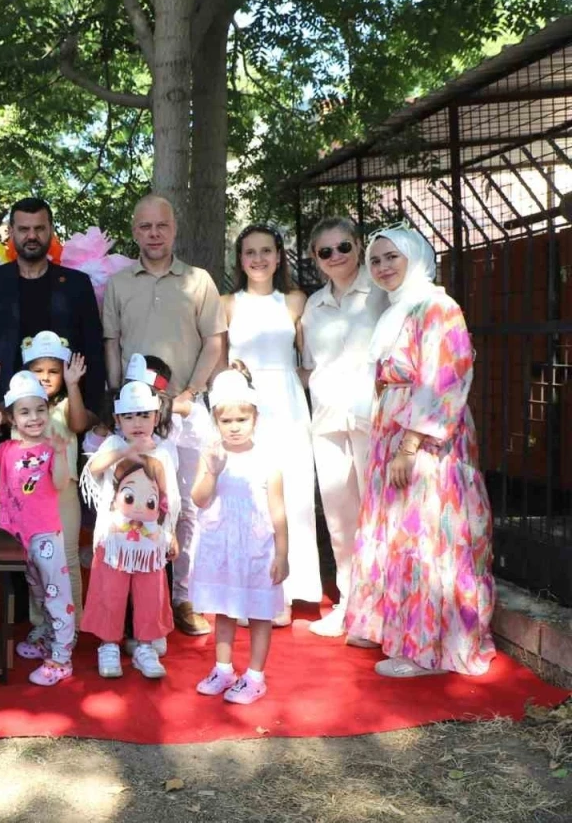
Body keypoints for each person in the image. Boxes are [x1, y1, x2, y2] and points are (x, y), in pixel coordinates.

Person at [345, 227, 495, 678]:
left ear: (414, 256)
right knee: (395, 529)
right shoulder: (398, 309)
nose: (382, 266)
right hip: (394, 434)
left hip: (426, 443)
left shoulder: (437, 307)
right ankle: (391, 626)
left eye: (392, 256)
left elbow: (444, 378)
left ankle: (430, 648)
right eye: (375, 260)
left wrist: (410, 444)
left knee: (427, 531)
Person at [102, 194, 226, 636]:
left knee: (188, 507)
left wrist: (191, 393)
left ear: (174, 229)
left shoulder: (198, 281)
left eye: (162, 226)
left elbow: (214, 342)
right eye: (145, 226)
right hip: (136, 416)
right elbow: (112, 343)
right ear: (134, 231)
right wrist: (117, 398)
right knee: (131, 504)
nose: (154, 234)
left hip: (185, 409)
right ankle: (134, 603)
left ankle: (183, 597)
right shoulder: (119, 283)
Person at [222, 224, 318, 625]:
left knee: (292, 496)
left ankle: (287, 593)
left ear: (279, 257)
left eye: (266, 251)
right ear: (240, 259)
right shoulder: (227, 303)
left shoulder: (295, 300)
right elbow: (219, 361)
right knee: (248, 496)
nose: (258, 259)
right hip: (244, 408)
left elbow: (309, 359)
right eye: (250, 252)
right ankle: (249, 591)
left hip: (287, 406)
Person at [299, 217, 387, 637]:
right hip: (328, 420)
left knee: (380, 513)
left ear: (358, 245)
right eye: (325, 251)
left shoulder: (382, 293)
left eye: (343, 247)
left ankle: (386, 608)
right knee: (339, 518)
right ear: (315, 258)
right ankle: (351, 605)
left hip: (374, 419)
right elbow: (308, 367)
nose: (336, 256)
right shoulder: (312, 307)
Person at [0, 330, 89, 634]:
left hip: (62, 493)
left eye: (54, 371)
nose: (46, 377)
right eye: (38, 371)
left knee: (66, 558)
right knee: (35, 562)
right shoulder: (19, 408)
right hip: (29, 502)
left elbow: (79, 423)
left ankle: (72, 623)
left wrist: (74, 385)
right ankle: (43, 622)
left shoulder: (64, 406)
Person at [189, 366, 289, 705]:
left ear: (255, 418)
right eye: (226, 420)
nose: (234, 427)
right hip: (221, 548)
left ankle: (255, 676)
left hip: (257, 550)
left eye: (241, 420)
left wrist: (282, 554)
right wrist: (212, 473)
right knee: (224, 608)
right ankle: (223, 669)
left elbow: (278, 511)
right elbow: (199, 499)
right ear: (216, 422)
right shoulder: (211, 455)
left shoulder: (267, 459)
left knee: (260, 611)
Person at [0, 372, 75, 685]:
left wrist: (59, 453)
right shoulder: (8, 449)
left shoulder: (52, 447)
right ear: (12, 417)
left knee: (56, 594)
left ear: (48, 412)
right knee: (38, 591)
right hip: (19, 537)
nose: (34, 418)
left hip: (46, 535)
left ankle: (62, 658)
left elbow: (60, 483)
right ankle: (46, 636)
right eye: (25, 412)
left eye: (40, 410)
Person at [0, 196, 105, 414]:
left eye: (39, 228)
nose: (32, 236)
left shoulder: (77, 284)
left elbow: (93, 351)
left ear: (51, 230)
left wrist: (94, 413)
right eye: (24, 229)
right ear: (11, 232)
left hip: (66, 412)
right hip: (6, 412)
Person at [80, 383, 178, 680]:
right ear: (117, 419)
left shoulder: (163, 450)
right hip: (114, 541)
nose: (137, 423)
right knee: (110, 592)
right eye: (129, 416)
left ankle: (145, 646)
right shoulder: (112, 444)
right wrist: (125, 451)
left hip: (150, 542)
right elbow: (93, 469)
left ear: (156, 416)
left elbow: (170, 497)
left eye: (144, 415)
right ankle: (108, 645)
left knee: (150, 595)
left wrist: (170, 532)